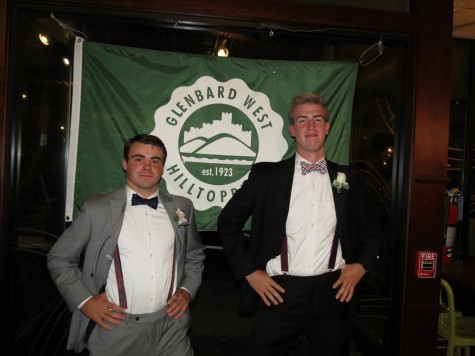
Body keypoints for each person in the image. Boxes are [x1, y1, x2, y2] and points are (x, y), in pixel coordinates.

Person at [217, 93, 380, 355]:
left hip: (333, 293)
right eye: (302, 120)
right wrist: (249, 272)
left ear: (327, 127)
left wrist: (361, 266)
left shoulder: (352, 179)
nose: (311, 126)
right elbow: (227, 224)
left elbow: (373, 230)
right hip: (279, 292)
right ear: (292, 130)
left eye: (318, 119)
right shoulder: (266, 176)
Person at [47, 134, 205, 356]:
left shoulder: (182, 207)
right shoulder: (97, 209)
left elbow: (194, 255)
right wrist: (85, 301)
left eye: (155, 160)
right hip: (116, 328)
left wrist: (187, 291)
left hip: (172, 327)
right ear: (125, 164)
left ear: (162, 167)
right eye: (139, 159)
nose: (148, 166)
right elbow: (60, 259)